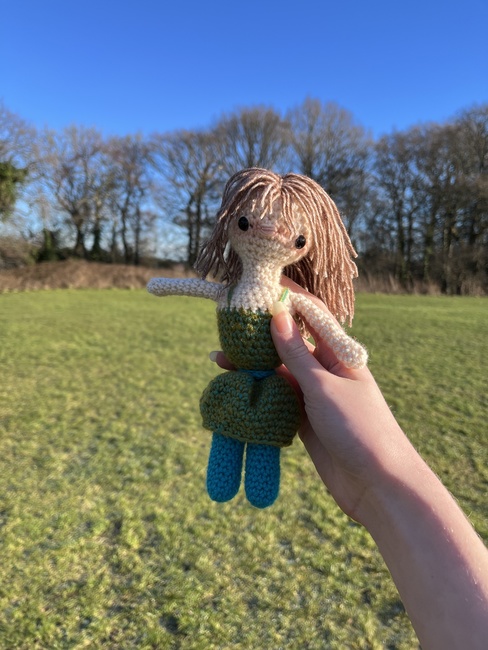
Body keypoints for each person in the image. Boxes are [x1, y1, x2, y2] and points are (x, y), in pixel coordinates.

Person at [211, 278, 488, 650]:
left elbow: (322, 324)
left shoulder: (283, 297)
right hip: (244, 387)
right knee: (229, 430)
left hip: (272, 391)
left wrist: (341, 346)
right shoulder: (237, 290)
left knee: (261, 440)